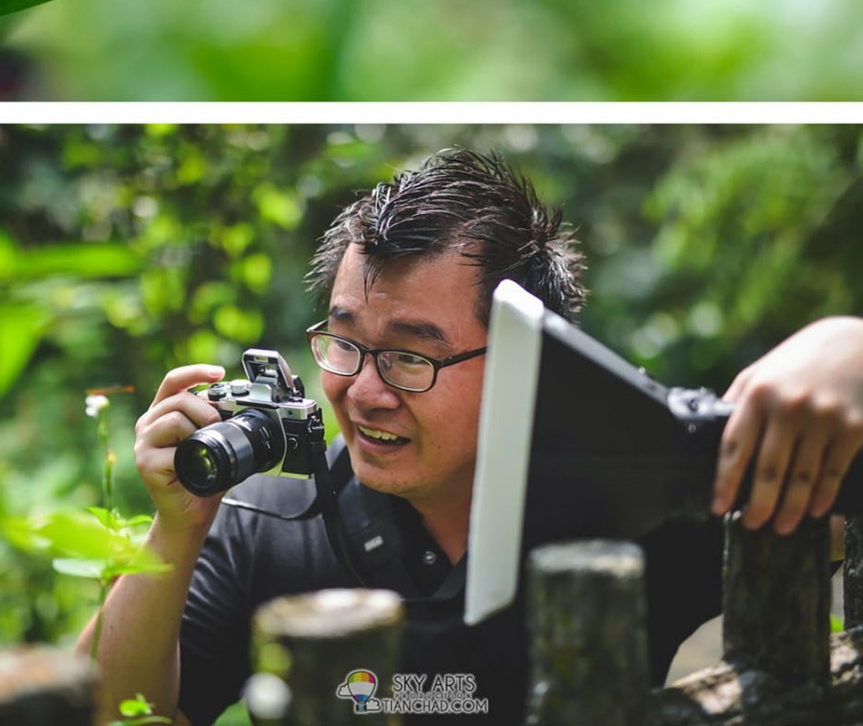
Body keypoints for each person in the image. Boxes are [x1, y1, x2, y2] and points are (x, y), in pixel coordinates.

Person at [78, 149, 863, 725]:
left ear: (528, 356)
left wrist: (844, 348)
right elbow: (120, 714)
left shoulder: (627, 507)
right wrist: (175, 527)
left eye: (413, 357)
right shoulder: (261, 522)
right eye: (346, 342)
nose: (365, 390)